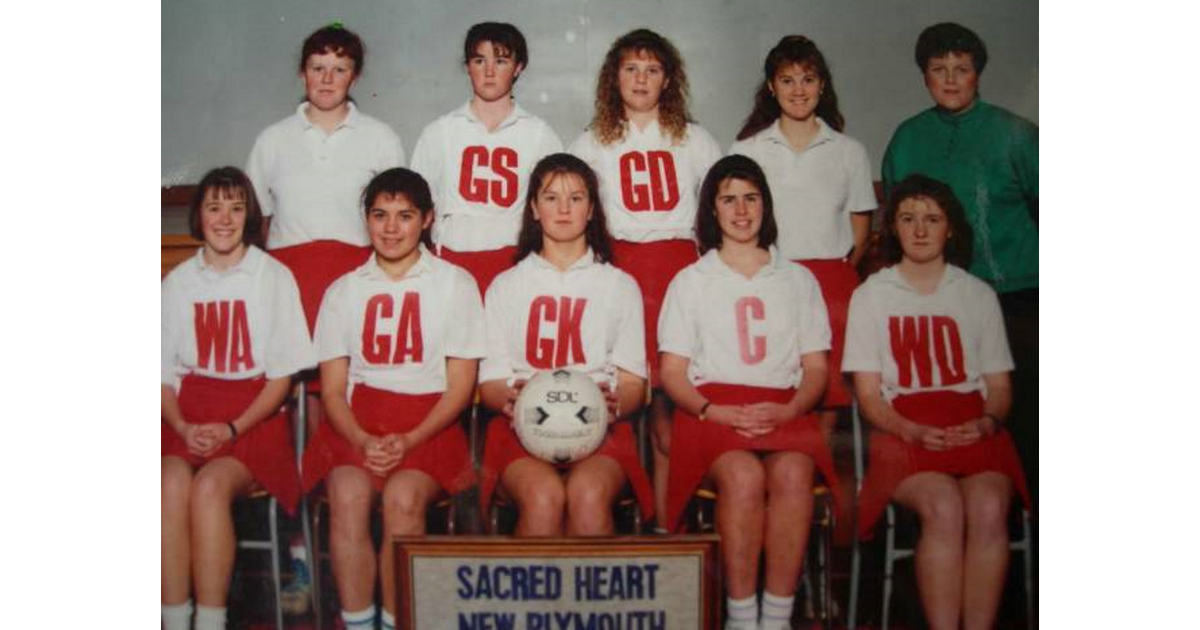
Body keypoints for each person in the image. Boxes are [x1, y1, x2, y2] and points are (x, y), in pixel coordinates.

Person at [843, 174, 1030, 630]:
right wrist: (909, 429)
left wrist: (987, 422)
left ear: (951, 228)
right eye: (908, 218)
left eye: (932, 218)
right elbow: (868, 395)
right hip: (901, 431)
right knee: (944, 505)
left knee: (987, 506)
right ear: (893, 229)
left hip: (972, 426)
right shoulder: (871, 296)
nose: (921, 230)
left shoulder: (976, 294)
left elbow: (1000, 389)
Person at [659, 155, 838, 630]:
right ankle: (741, 616)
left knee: (794, 474)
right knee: (742, 478)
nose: (741, 211)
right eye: (728, 199)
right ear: (711, 211)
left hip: (786, 409)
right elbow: (673, 373)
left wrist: (791, 408)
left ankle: (776, 617)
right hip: (711, 414)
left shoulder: (797, 278)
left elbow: (816, 368)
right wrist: (715, 411)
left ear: (766, 205)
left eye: (751, 198)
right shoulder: (691, 280)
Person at [299, 168, 481, 630]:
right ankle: (360, 623)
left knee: (402, 499)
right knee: (347, 493)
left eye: (405, 215)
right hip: (356, 425)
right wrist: (361, 439)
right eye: (380, 215)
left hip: (430, 424)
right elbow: (335, 391)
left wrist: (411, 437)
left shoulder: (454, 283)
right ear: (367, 220)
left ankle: (398, 620)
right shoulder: (344, 290)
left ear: (427, 219)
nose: (391, 228)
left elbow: (460, 387)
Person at [880, 22, 1038, 505]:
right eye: (938, 69)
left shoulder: (1017, 134)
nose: (950, 79)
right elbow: (896, 227)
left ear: (978, 74)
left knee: (1024, 424)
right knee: (949, 427)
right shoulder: (907, 139)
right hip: (938, 304)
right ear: (924, 76)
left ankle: (1027, 543)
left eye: (961, 69)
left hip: (1019, 301)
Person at [568, 28, 721, 526]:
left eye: (652, 69)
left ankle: (667, 526)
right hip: (618, 271)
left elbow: (719, 212)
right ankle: (626, 526)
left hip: (679, 273)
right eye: (631, 69)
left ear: (668, 79)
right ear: (614, 77)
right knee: (621, 402)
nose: (640, 79)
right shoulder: (591, 141)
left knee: (668, 417)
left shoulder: (694, 138)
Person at [161, 167, 315, 630]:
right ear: (199, 216)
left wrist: (232, 428)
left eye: (235, 206)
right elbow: (160, 374)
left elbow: (281, 378)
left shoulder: (272, 276)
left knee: (210, 488)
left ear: (249, 214)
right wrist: (183, 425)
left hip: (254, 418)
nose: (224, 218)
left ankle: (210, 621)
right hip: (187, 414)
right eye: (213, 207)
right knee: (166, 483)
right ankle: (173, 618)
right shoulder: (177, 282)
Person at [477, 153, 652, 536]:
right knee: (543, 497)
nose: (563, 209)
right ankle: (536, 599)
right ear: (534, 209)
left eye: (576, 198)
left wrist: (616, 402)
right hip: (520, 429)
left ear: (591, 210)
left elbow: (634, 383)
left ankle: (587, 599)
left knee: (587, 495)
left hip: (599, 428)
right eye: (551, 197)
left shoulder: (619, 286)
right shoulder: (505, 286)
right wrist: (508, 398)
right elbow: (490, 383)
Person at [729, 35, 876, 451]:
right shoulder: (748, 149)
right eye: (787, 80)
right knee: (774, 386)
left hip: (832, 286)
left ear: (822, 86)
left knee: (828, 399)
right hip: (770, 282)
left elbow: (860, 232)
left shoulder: (849, 151)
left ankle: (818, 483)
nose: (798, 90)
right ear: (771, 87)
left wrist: (834, 276)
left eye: (808, 79)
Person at [246, 23, 406, 331]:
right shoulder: (272, 140)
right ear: (302, 73)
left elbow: (397, 220)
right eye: (318, 68)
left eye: (340, 69)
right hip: (288, 279)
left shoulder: (381, 138)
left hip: (358, 277)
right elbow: (257, 222)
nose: (327, 79)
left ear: (354, 76)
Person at [410, 21, 563, 294]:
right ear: (467, 66)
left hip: (514, 262)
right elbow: (416, 209)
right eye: (479, 60)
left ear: (518, 67)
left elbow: (555, 209)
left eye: (501, 61)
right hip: (451, 260)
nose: (489, 71)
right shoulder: (439, 132)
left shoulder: (540, 135)